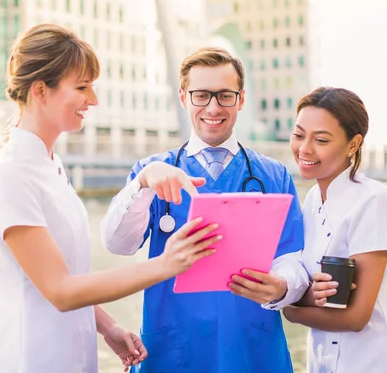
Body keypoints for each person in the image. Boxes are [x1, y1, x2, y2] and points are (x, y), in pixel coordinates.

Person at [0, 24, 221, 373]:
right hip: (29, 358)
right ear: (41, 90)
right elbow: (60, 289)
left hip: (71, 357)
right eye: (82, 87)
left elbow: (63, 274)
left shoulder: (50, 167)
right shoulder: (11, 175)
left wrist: (108, 326)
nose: (93, 100)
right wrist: (166, 264)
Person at [100, 47, 309, 372]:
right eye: (201, 96)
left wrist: (283, 286)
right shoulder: (153, 170)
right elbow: (118, 245)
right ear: (184, 98)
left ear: (241, 99)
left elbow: (292, 257)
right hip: (174, 343)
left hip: (249, 345)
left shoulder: (273, 175)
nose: (213, 107)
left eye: (225, 95)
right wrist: (141, 185)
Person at [282, 87, 387, 372]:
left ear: (353, 144)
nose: (304, 148)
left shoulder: (372, 201)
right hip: (323, 358)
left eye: (320, 139)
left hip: (374, 358)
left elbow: (357, 318)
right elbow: (314, 288)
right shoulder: (312, 199)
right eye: (298, 135)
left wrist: (291, 310)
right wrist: (304, 295)